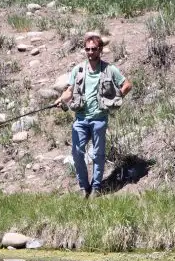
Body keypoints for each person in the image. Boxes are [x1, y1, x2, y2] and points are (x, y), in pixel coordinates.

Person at [55, 34, 132, 198]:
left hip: (99, 119)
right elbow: (69, 90)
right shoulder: (78, 69)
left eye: (93, 49)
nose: (90, 52)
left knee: (98, 154)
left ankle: (96, 187)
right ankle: (84, 187)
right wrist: (61, 100)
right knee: (77, 153)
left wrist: (116, 98)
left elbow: (127, 85)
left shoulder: (109, 69)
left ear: (100, 50)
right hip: (81, 119)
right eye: (87, 49)